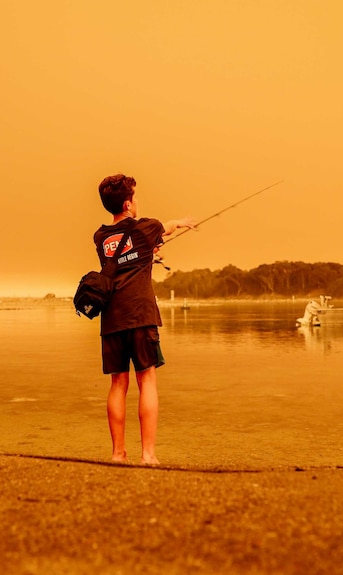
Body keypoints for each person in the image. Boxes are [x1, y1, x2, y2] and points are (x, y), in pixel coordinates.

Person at [93, 174, 194, 465]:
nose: (137, 202)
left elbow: (122, 256)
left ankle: (117, 454)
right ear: (127, 202)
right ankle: (148, 455)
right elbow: (168, 228)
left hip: (112, 319)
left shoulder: (100, 237)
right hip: (140, 315)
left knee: (118, 384)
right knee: (147, 380)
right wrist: (180, 222)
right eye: (135, 197)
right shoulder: (147, 228)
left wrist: (147, 251)